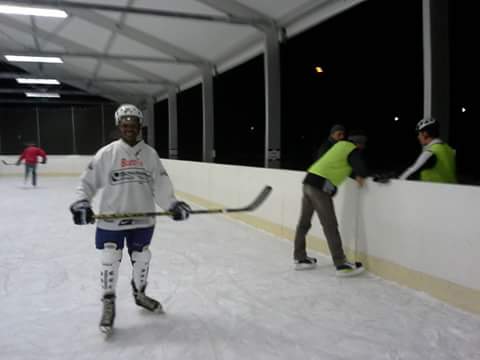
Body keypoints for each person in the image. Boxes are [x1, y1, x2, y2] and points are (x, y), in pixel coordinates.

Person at [69, 104, 191, 335]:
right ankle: (108, 303)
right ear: (119, 126)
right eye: (124, 125)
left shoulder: (150, 154)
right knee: (109, 258)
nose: (129, 128)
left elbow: (161, 185)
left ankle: (140, 295)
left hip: (143, 218)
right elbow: (87, 181)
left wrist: (173, 204)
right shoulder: (107, 153)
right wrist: (82, 202)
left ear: (139, 126)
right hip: (112, 218)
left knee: (142, 257)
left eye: (133, 124)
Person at [293, 131, 368, 276]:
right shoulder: (351, 149)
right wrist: (362, 175)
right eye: (362, 147)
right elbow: (359, 166)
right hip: (319, 187)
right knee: (330, 225)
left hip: (308, 182)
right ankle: (341, 264)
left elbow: (344, 167)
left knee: (304, 223)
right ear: (359, 145)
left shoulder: (339, 147)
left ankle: (300, 258)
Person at [399, 117, 457, 183]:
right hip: (452, 190)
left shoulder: (430, 152)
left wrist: (396, 182)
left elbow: (410, 173)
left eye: (419, 133)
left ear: (425, 133)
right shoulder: (449, 149)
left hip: (434, 191)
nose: (418, 137)